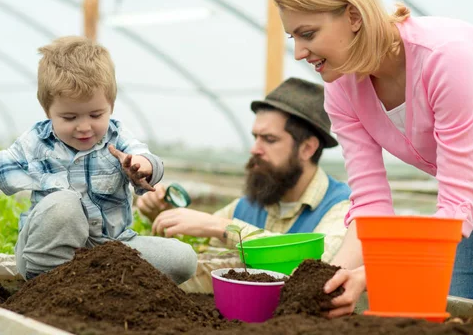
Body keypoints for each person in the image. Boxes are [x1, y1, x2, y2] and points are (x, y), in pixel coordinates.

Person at [273, 0, 473, 314]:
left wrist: (371, 276)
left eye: (308, 34)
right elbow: (370, 205)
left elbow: (454, 204)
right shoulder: (341, 88)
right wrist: (327, 279)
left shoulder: (445, 57)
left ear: (353, 15)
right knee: (460, 315)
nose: (300, 51)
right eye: (293, 36)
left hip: (467, 206)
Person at [0, 36, 197, 284]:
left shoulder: (118, 139)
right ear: (48, 112)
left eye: (95, 115)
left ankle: (96, 284)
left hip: (112, 250)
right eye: (70, 118)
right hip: (47, 253)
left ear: (111, 106)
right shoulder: (36, 142)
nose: (84, 127)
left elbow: (150, 161)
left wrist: (142, 166)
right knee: (65, 203)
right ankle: (48, 283)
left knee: (182, 259)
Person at [137, 77, 352, 263]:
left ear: (307, 148)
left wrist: (226, 228)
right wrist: (163, 215)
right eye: (255, 137)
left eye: (269, 139)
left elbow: (317, 265)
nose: (255, 149)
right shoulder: (247, 205)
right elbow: (198, 253)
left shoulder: (343, 209)